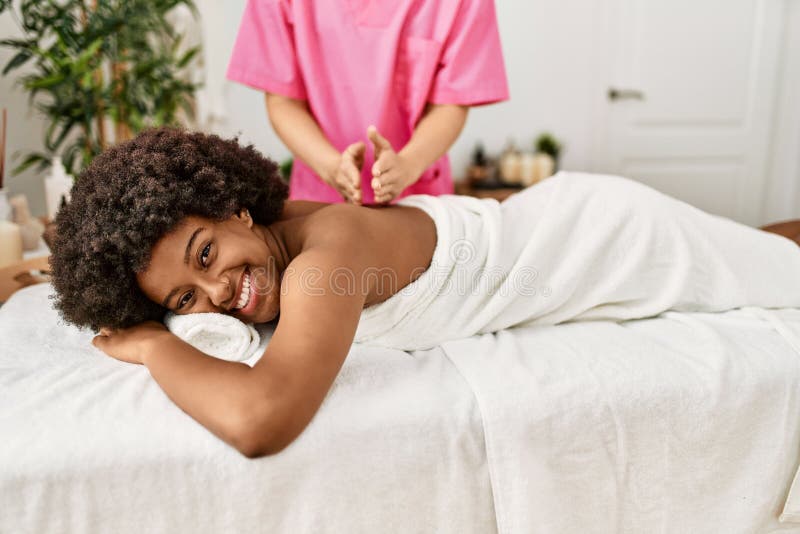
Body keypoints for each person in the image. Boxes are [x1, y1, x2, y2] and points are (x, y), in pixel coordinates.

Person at [50, 128, 800, 458]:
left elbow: (261, 419)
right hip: (557, 238)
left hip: (600, 239)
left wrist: (151, 346)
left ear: (235, 206)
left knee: (773, 270)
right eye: (183, 301)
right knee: (752, 245)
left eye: (206, 253)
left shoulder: (324, 260)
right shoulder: (274, 244)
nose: (218, 292)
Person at [226, 0, 509, 205]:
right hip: (320, 203)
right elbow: (284, 102)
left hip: (418, 203)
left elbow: (450, 105)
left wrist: (408, 166)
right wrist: (331, 167)